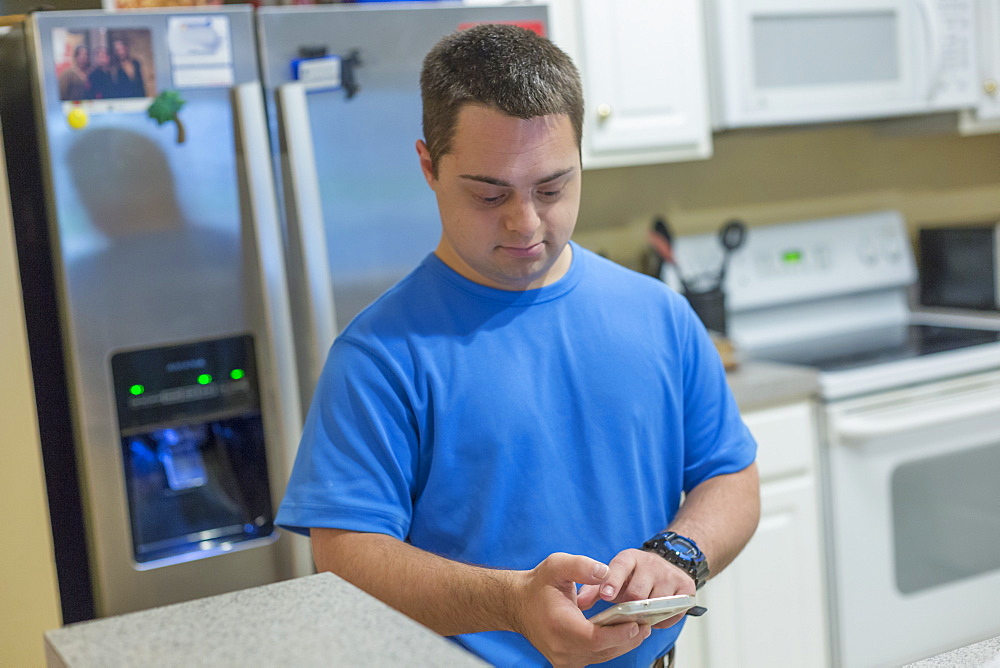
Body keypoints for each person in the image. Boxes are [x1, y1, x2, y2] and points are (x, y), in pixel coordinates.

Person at [276, 24, 760, 668]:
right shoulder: (380, 355)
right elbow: (347, 553)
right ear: (428, 165)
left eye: (552, 188)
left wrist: (679, 554)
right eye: (489, 193)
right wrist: (511, 602)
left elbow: (730, 475)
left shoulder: (659, 313)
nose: (525, 222)